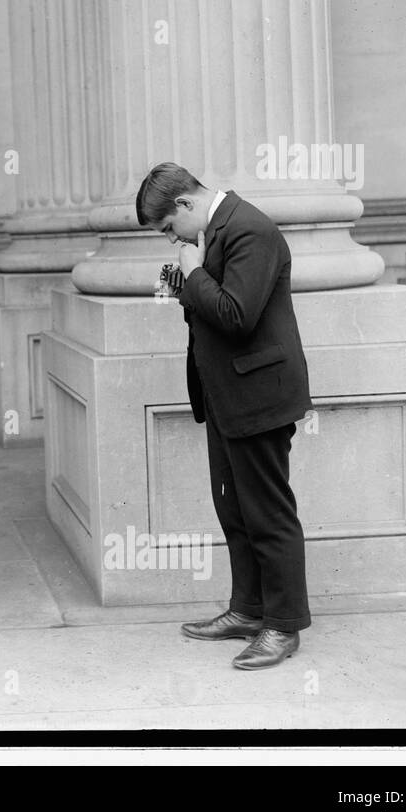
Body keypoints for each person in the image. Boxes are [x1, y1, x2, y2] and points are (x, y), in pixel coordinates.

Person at [135, 162, 313, 670]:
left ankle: (282, 626)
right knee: (235, 510)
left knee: (268, 512)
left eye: (169, 228)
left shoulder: (250, 228)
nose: (172, 240)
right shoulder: (215, 231)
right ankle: (248, 609)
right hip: (227, 395)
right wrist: (183, 278)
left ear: (186, 204)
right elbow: (209, 304)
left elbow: (237, 314)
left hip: (259, 395)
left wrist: (192, 271)